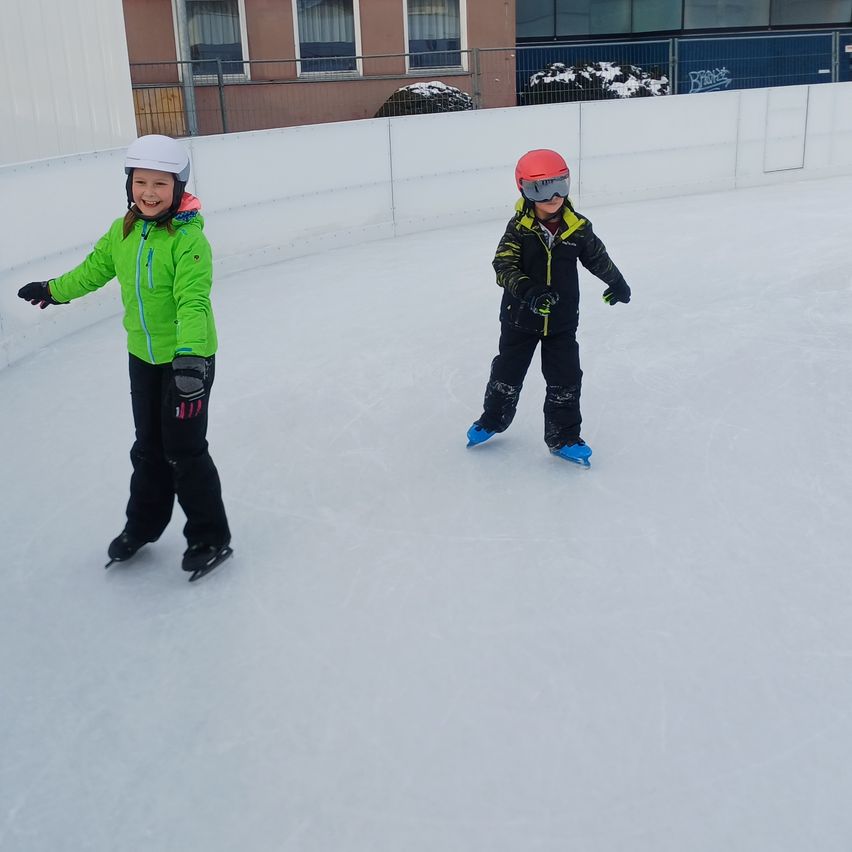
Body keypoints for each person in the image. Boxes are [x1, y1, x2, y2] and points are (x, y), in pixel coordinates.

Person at [17, 134, 232, 578]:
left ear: (177, 188)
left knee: (185, 451)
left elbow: (193, 301)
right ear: (129, 185)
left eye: (160, 184)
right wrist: (53, 291)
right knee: (148, 448)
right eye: (141, 183)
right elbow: (94, 270)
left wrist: (190, 358)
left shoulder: (189, 241)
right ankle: (144, 526)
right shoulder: (123, 231)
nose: (149, 194)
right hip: (143, 356)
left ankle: (210, 536)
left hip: (188, 362)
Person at [467, 148, 631, 467]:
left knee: (566, 379)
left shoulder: (577, 228)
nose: (552, 197)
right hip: (519, 320)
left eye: (559, 186)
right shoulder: (519, 229)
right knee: (507, 374)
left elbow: (597, 257)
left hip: (562, 322)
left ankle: (564, 437)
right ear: (525, 190)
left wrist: (616, 281)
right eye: (540, 189)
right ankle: (492, 421)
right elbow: (503, 265)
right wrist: (529, 291)